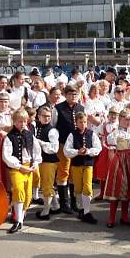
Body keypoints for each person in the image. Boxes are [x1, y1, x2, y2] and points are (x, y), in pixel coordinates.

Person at [2, 108, 42, 233]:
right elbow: (6, 156)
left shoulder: (30, 134)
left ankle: (21, 218)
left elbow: (36, 151)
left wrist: (35, 163)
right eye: (20, 121)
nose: (23, 124)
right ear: (14, 122)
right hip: (17, 168)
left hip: (28, 167)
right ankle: (18, 221)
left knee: (28, 194)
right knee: (19, 191)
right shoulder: (10, 137)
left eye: (24, 121)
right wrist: (19, 166)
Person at [102, 108, 130, 228]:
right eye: (126, 119)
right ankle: (111, 218)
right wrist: (115, 166)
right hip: (119, 162)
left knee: (127, 189)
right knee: (116, 190)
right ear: (120, 119)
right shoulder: (115, 133)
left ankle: (125, 216)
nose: (128, 121)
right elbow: (111, 152)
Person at [63, 112, 102, 224]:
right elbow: (66, 150)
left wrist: (88, 151)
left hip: (88, 164)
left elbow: (98, 148)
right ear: (76, 122)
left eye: (85, 122)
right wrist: (77, 152)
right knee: (78, 188)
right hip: (76, 164)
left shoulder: (91, 133)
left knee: (88, 188)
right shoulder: (72, 135)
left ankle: (87, 212)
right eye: (80, 122)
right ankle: (81, 209)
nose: (83, 124)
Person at [54, 86, 84, 214]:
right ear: (65, 95)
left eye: (76, 94)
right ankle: (64, 203)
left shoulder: (80, 108)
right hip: (63, 143)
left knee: (74, 172)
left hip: (76, 144)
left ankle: (73, 202)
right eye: (71, 94)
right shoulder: (58, 108)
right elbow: (54, 126)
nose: (74, 96)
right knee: (63, 172)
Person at [33, 105, 61, 220]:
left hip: (50, 161)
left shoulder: (52, 131)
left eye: (49, 116)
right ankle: (56, 206)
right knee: (47, 184)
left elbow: (54, 148)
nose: (47, 118)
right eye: (44, 116)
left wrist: (41, 143)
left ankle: (46, 211)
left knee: (47, 186)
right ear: (39, 116)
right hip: (42, 160)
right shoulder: (38, 127)